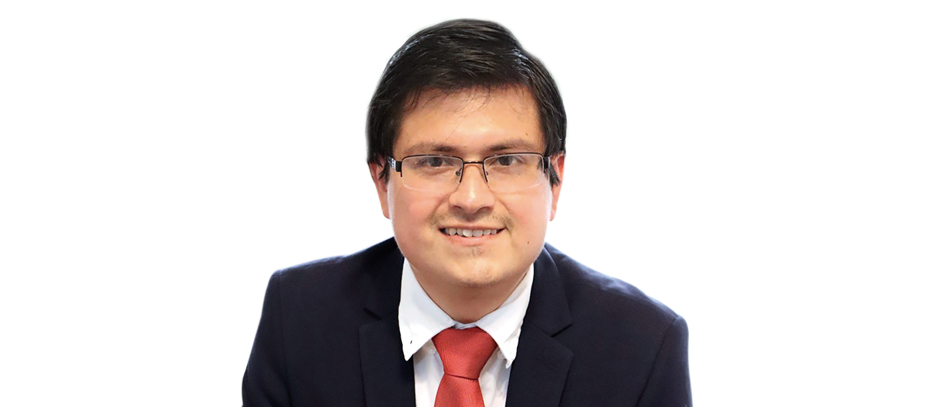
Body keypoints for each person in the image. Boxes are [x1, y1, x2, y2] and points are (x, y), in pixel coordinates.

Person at [242, 19, 691, 407]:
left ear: (555, 181)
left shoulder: (642, 346)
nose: (472, 199)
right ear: (382, 182)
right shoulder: (298, 319)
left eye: (507, 160)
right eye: (435, 161)